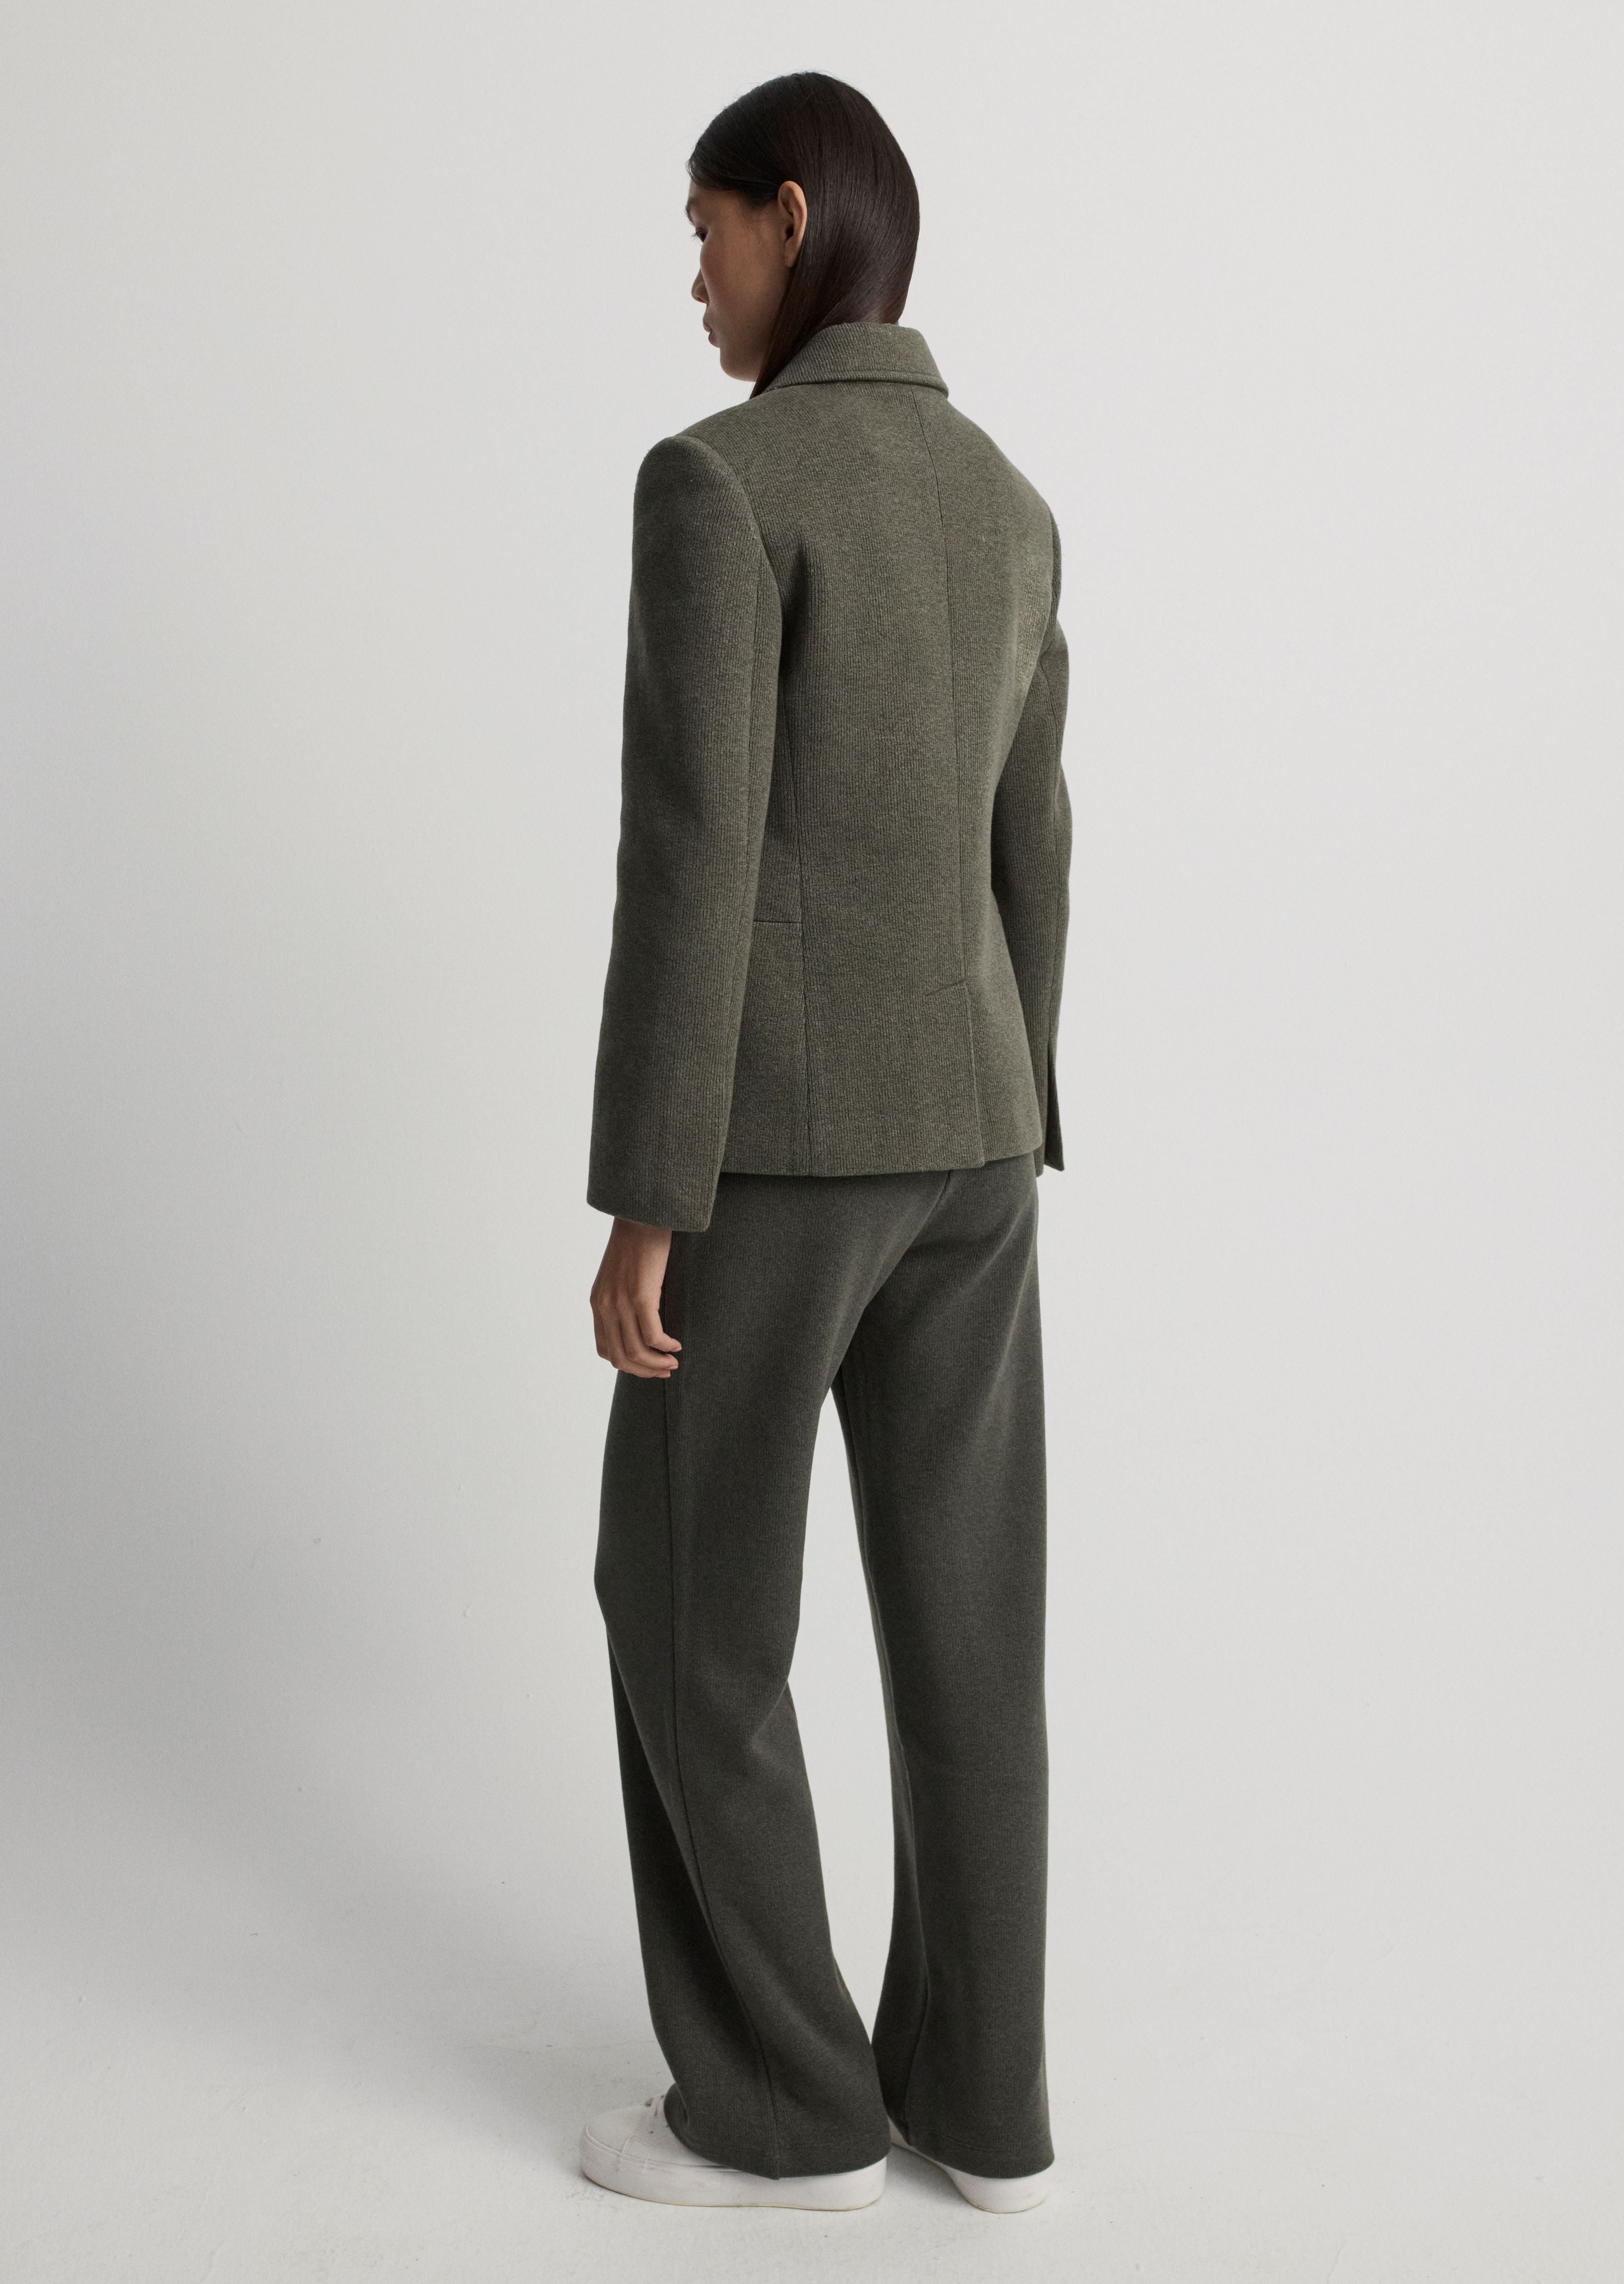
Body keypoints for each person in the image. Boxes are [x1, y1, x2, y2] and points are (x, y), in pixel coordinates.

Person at [580, 71, 1072, 2216]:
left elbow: (693, 863)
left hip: (776, 1154)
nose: (692, 277)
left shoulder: (720, 481)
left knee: (689, 1610)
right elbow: (1036, 842)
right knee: (970, 1629)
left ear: (793, 217)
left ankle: (783, 2112)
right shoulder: (1007, 501)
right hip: (976, 1136)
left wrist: (647, 1195)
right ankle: (984, 2113)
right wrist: (1013, 1095)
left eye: (703, 230)